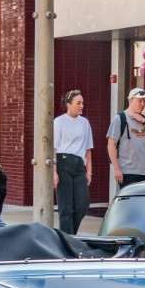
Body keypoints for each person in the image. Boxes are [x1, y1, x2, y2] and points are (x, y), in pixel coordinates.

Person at [53, 88, 94, 234]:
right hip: (63, 162)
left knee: (83, 205)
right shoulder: (59, 122)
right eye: (78, 103)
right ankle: (66, 239)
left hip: (79, 166)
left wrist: (89, 171)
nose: (82, 105)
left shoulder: (85, 123)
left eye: (83, 103)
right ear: (69, 104)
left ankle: (70, 235)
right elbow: (54, 149)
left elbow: (88, 148)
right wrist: (54, 172)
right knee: (66, 208)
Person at [107, 87, 145, 192]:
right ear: (131, 100)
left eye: (144, 101)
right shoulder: (120, 119)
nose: (142, 104)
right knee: (130, 203)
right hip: (127, 172)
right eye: (139, 101)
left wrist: (144, 121)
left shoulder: (144, 119)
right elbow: (111, 145)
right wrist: (116, 169)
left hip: (144, 171)